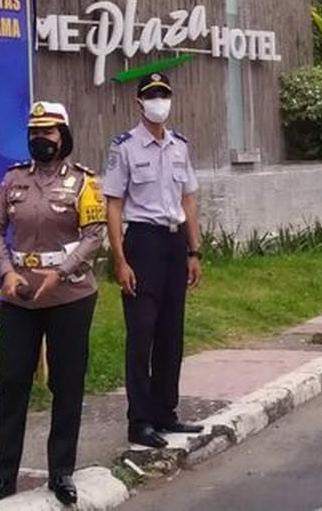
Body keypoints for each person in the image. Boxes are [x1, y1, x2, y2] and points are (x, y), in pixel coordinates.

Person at [0, 101, 106, 506]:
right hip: (20, 294)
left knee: (66, 384)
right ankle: (2, 476)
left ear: (63, 136)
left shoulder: (85, 182)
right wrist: (6, 271)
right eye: (35, 133)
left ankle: (61, 473)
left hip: (69, 295)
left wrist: (62, 272)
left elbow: (93, 234)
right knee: (12, 383)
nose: (41, 139)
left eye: (48, 133)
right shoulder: (13, 180)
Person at [103, 72, 204, 449]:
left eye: (164, 94)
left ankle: (166, 412)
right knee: (141, 334)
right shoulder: (124, 147)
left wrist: (194, 251)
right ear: (139, 102)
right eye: (152, 95)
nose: (159, 101)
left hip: (174, 244)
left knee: (170, 335)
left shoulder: (179, 146)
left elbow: (188, 200)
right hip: (142, 243)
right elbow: (113, 204)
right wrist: (120, 258)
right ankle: (140, 421)